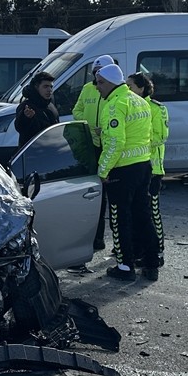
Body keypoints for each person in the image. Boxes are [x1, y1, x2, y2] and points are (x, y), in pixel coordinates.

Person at [95, 63, 159, 281]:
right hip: (143, 165)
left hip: (122, 170)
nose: (97, 87)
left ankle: (125, 267)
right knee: (143, 215)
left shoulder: (115, 104)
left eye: (100, 82)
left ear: (111, 83)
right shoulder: (140, 101)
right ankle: (151, 264)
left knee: (119, 218)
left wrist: (102, 170)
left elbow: (116, 141)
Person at [73, 55, 116, 251]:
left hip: (107, 145)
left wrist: (104, 128)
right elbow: (77, 110)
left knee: (107, 197)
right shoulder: (88, 89)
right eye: (95, 72)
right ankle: (93, 238)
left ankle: (102, 239)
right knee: (93, 195)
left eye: (101, 72)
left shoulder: (113, 92)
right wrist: (90, 127)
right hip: (91, 145)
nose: (97, 76)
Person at [127, 72, 168, 270]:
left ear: (142, 88)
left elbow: (160, 136)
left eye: (131, 86)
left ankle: (157, 251)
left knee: (153, 213)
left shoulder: (155, 109)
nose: (128, 90)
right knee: (138, 214)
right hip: (137, 167)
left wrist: (136, 141)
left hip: (152, 168)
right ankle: (139, 250)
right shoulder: (129, 105)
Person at [14, 71, 59, 150]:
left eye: (51, 87)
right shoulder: (26, 106)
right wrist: (27, 118)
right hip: (32, 153)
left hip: (51, 151)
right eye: (45, 87)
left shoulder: (51, 105)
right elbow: (20, 127)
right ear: (36, 87)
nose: (49, 90)